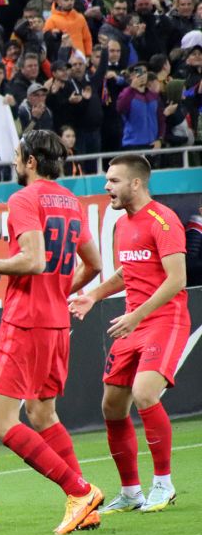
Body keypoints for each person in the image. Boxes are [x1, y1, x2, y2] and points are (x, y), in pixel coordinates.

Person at [0, 129, 105, 535]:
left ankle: (79, 490)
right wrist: (61, 292)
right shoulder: (71, 201)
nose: (14, 160)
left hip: (25, 320)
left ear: (29, 161)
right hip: (56, 321)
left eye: (17, 155)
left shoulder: (24, 198)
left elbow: (33, 260)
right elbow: (93, 264)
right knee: (42, 413)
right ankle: (87, 508)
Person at [69, 155, 190, 515]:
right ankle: (131, 491)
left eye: (114, 181)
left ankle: (163, 485)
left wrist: (136, 315)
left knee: (144, 393)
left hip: (164, 321)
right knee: (111, 405)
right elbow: (127, 272)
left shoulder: (163, 219)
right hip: (133, 323)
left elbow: (177, 280)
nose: (107, 187)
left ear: (136, 183)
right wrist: (93, 295)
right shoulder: (122, 224)